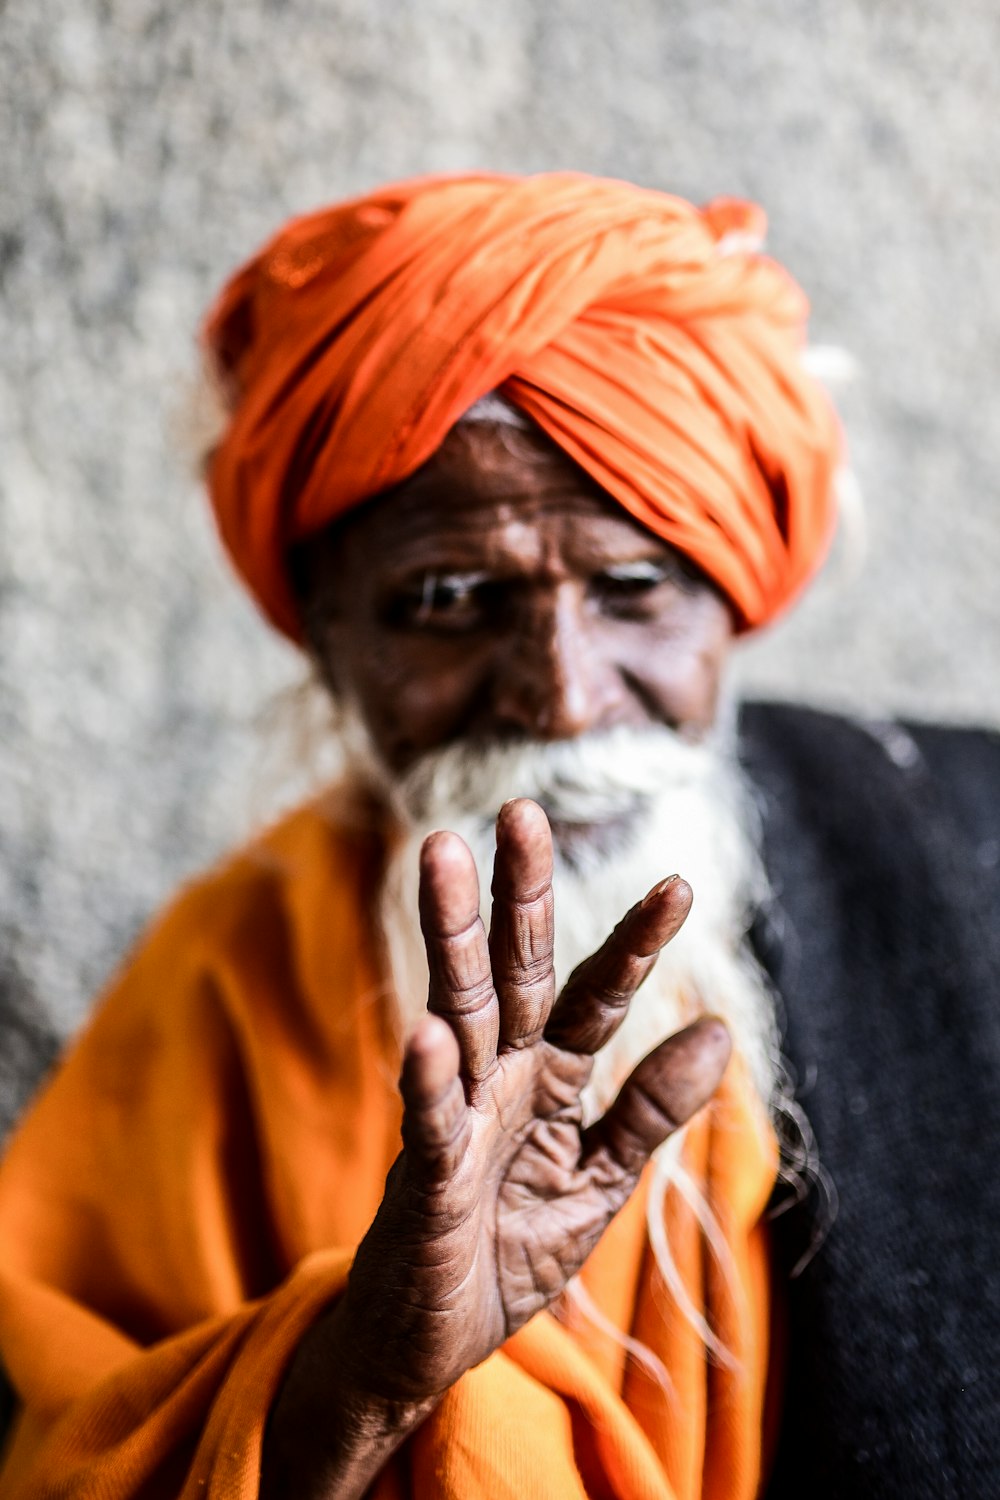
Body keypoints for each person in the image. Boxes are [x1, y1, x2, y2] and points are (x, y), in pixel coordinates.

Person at [0, 171, 998, 1500]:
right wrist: (354, 1381)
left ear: (736, 589)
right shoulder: (222, 993)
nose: (562, 697)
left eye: (635, 588)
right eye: (449, 597)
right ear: (328, 634)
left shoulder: (969, 842)